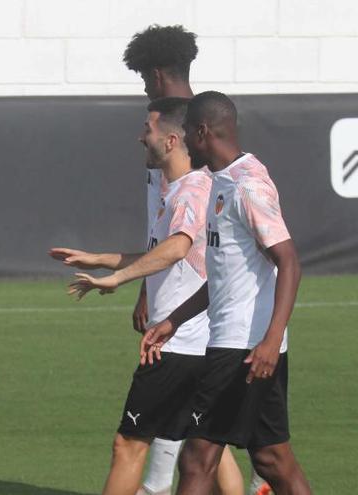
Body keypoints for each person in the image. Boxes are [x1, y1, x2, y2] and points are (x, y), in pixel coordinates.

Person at [51, 97, 236, 495]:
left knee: (128, 446)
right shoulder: (184, 189)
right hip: (203, 344)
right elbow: (163, 250)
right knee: (209, 451)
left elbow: (177, 248)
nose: (141, 137)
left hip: (178, 347)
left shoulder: (190, 191)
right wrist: (100, 259)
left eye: (147, 130)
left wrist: (118, 279)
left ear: (170, 140)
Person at [141, 91, 311, 495]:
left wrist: (271, 340)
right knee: (272, 459)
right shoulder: (220, 181)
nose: (181, 141)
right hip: (241, 344)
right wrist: (174, 319)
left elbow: (289, 262)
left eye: (186, 133)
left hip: (244, 348)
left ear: (202, 132)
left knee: (197, 460)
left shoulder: (246, 186)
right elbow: (223, 274)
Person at [122, 24, 248, 495]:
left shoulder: (191, 134)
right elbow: (164, 224)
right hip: (179, 285)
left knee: (187, 414)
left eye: (143, 79)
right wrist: (145, 288)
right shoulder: (181, 126)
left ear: (156, 74)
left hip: (202, 291)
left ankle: (154, 486)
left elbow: (190, 235)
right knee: (205, 424)